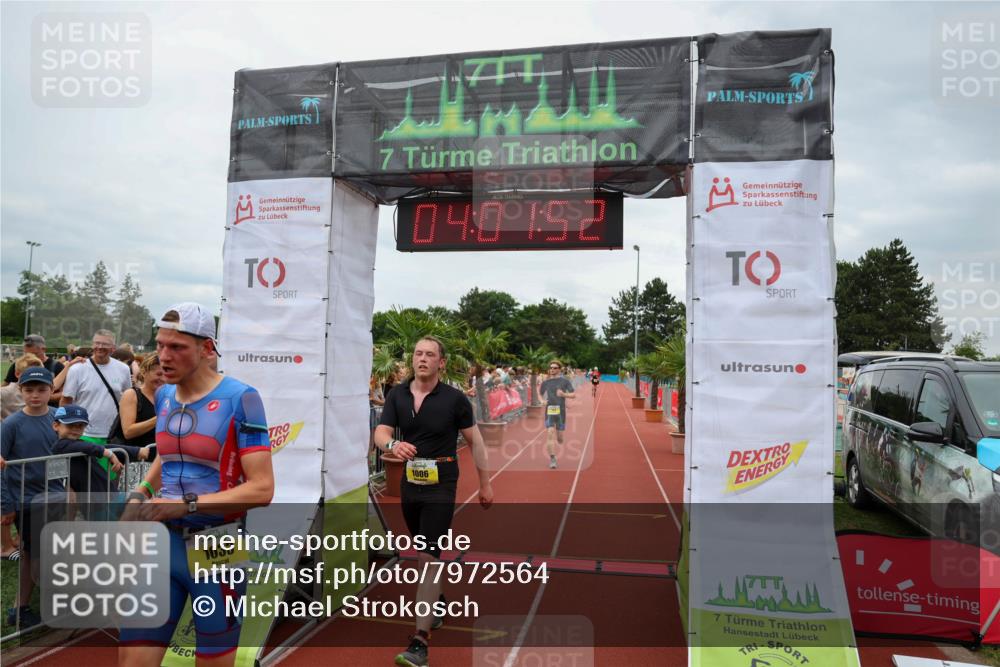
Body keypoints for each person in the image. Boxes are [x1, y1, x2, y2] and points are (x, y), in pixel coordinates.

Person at [118, 303, 274, 667]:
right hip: (163, 542)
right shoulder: (166, 395)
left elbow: (263, 489)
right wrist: (140, 493)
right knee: (132, 660)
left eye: (177, 348)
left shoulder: (242, 398)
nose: (164, 357)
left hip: (217, 547)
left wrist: (187, 504)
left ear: (207, 349)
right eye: (160, 345)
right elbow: (168, 454)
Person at [374, 336, 494, 667]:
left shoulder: (455, 400)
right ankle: (437, 603)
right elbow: (381, 433)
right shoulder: (397, 394)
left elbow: (476, 442)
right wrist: (392, 446)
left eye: (429, 354)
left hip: (443, 482)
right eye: (418, 353)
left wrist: (486, 484)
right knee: (425, 551)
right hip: (411, 483)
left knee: (427, 557)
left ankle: (419, 642)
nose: (422, 358)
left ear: (441, 363)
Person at [0, 367, 66, 628]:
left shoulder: (58, 418)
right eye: (29, 390)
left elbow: (67, 450)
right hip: (26, 500)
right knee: (37, 556)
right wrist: (6, 504)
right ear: (21, 391)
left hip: (55, 498)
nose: (35, 395)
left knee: (34, 553)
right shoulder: (11, 424)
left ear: (52, 391)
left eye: (41, 390)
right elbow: (1, 467)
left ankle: (21, 607)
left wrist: (68, 489)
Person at [61, 330, 132, 452]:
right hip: (83, 434)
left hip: (113, 435)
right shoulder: (77, 369)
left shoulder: (123, 369)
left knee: (110, 471)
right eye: (97, 343)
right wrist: (66, 430)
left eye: (105, 344)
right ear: (92, 345)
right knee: (85, 471)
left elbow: (129, 398)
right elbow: (65, 401)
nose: (100, 347)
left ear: (113, 348)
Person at [118, 354, 164, 451]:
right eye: (159, 374)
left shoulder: (170, 396)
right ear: (143, 372)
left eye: (166, 374)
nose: (163, 379)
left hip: (163, 458)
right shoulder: (132, 395)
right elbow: (128, 432)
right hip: (137, 460)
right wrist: (160, 418)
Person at [539, 359, 576, 469]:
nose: (552, 369)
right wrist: (542, 401)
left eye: (555, 368)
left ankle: (560, 437)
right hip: (549, 410)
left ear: (559, 370)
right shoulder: (545, 382)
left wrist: (564, 394)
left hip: (561, 411)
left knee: (559, 438)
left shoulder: (565, 381)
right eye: (551, 368)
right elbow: (540, 394)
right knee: (550, 433)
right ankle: (553, 459)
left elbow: (573, 395)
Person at [1, 354, 43, 420]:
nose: (33, 377)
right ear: (17, 374)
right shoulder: (5, 393)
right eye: (28, 374)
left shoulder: (43, 391)